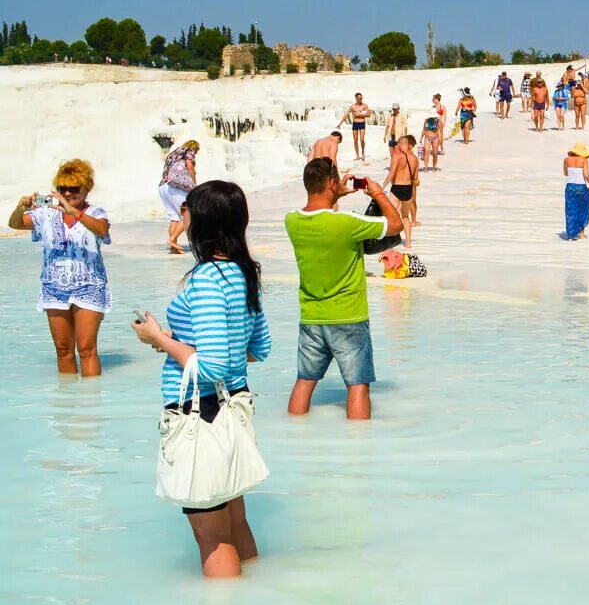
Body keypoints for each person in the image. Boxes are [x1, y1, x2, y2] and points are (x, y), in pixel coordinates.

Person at [131, 180, 269, 577]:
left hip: (201, 413)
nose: (181, 217)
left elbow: (211, 367)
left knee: (211, 536)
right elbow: (257, 347)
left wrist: (158, 338)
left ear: (202, 222)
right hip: (231, 410)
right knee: (235, 522)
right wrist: (182, 343)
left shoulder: (207, 278)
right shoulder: (242, 272)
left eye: (186, 211)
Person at [284, 157, 402, 421]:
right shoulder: (347, 224)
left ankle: (294, 432)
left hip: (312, 316)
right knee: (357, 385)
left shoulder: (292, 221)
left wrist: (335, 194)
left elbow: (321, 216)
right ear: (331, 182)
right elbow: (396, 225)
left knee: (304, 381)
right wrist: (378, 193)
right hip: (349, 317)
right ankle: (358, 448)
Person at [11, 159, 112, 376]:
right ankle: (66, 406)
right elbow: (15, 224)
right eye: (62, 189)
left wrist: (74, 212)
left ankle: (90, 404)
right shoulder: (46, 213)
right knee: (63, 350)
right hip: (54, 288)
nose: (67, 194)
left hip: (89, 287)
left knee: (86, 349)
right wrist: (20, 208)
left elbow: (102, 229)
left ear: (86, 189)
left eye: (73, 189)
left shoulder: (96, 212)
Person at [158, 140, 199, 254]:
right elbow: (190, 167)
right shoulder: (189, 151)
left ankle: (174, 247)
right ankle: (172, 240)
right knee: (187, 213)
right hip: (176, 187)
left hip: (163, 186)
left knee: (174, 217)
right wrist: (194, 183)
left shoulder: (173, 154)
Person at [383, 134, 421, 248]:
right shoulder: (415, 159)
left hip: (397, 188)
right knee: (405, 216)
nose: (397, 146)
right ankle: (408, 241)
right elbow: (416, 179)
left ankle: (389, 240)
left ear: (402, 144)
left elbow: (392, 173)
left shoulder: (396, 156)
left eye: (399, 144)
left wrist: (383, 185)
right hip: (408, 189)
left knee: (391, 214)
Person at [564, 142, 589, 240]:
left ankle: (571, 234)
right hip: (581, 187)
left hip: (570, 187)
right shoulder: (584, 160)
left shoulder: (566, 159)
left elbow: (565, 173)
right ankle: (581, 234)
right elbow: (586, 174)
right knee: (583, 209)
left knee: (570, 210)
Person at [340, 93, 373, 162]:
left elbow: (369, 114)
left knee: (362, 139)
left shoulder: (364, 105)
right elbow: (346, 115)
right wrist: (340, 124)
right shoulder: (352, 106)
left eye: (361, 98)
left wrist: (359, 114)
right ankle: (357, 155)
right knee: (355, 140)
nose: (360, 99)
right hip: (355, 123)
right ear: (356, 98)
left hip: (362, 123)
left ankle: (363, 153)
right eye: (359, 98)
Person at [421, 96, 444, 171]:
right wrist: (421, 138)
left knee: (434, 153)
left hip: (435, 138)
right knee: (426, 152)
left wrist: (440, 139)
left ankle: (434, 167)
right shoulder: (426, 120)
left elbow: (441, 130)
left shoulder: (438, 120)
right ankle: (426, 167)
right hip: (427, 138)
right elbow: (424, 130)